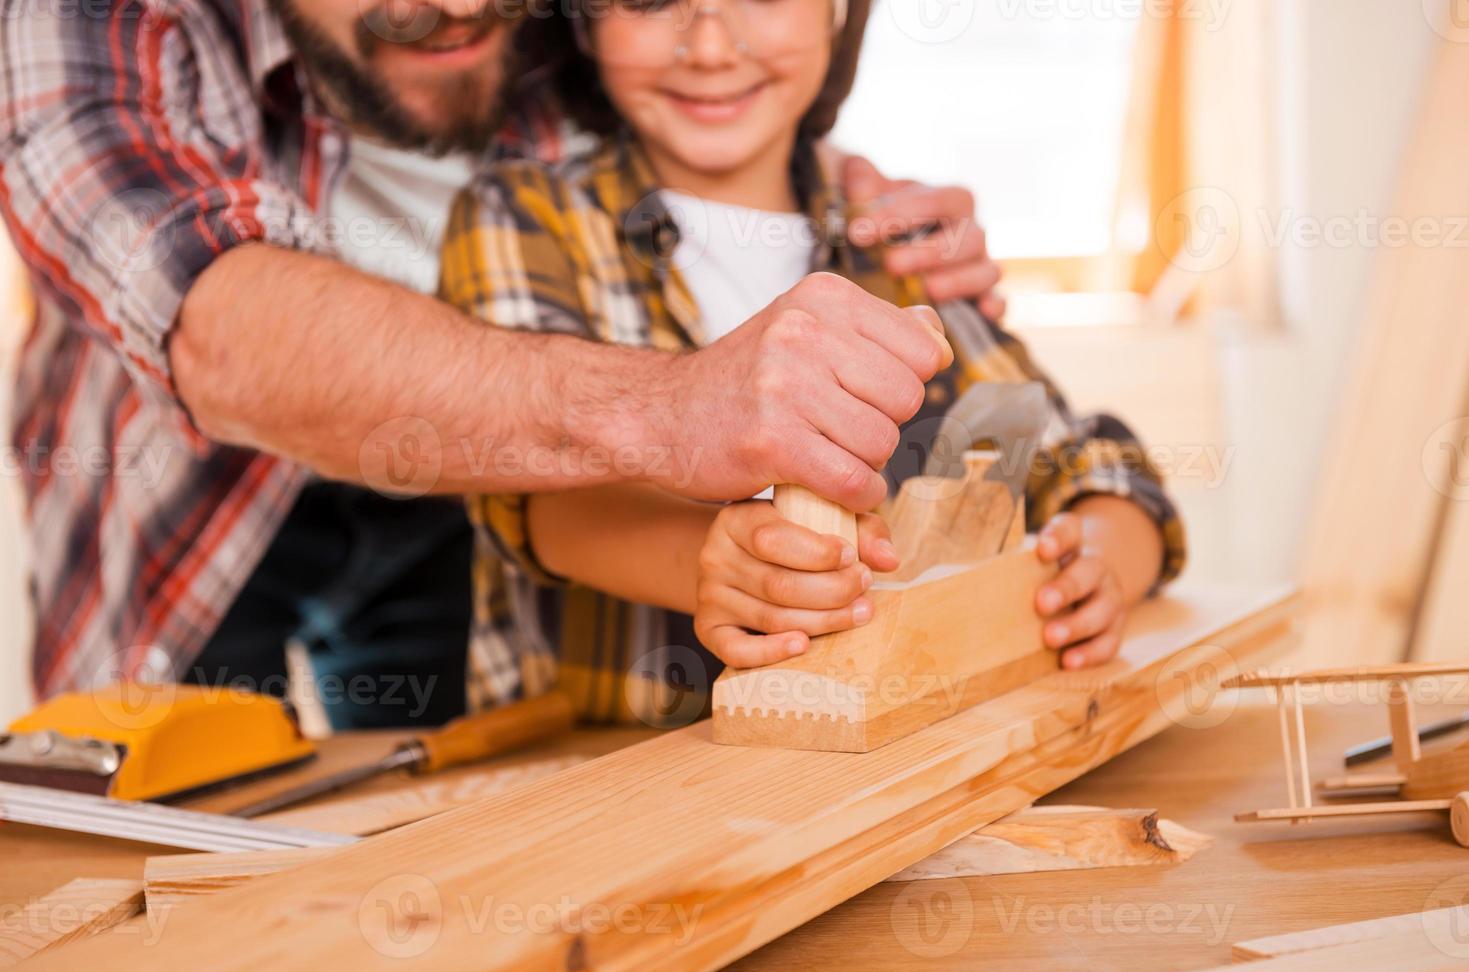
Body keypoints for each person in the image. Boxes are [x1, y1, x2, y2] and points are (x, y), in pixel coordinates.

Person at [0, 0, 1005, 726]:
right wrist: (668, 406)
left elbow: (704, 102)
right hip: (178, 510)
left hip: (484, 483)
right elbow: (216, 323)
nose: (463, 7)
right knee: (166, 845)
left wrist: (837, 199)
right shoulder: (78, 24)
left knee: (420, 835)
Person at [439, 0, 1188, 724]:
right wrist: (718, 561)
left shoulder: (894, 230)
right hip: (597, 777)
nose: (708, 47)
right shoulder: (520, 214)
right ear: (581, 17)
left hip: (880, 772)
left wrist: (1096, 566)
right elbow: (539, 499)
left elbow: (1089, 464)